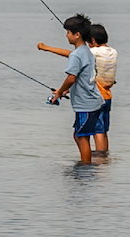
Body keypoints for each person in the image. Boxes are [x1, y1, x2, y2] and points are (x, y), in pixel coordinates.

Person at [39, 23, 118, 153]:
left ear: (92, 40)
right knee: (103, 131)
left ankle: (98, 159)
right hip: (107, 96)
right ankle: (104, 157)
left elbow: (72, 55)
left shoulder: (92, 52)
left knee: (95, 132)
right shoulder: (113, 52)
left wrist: (47, 48)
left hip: (94, 97)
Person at [45, 14, 104, 164]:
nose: (66, 36)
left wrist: (59, 92)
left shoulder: (76, 55)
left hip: (86, 104)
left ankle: (85, 167)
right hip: (93, 101)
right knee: (78, 135)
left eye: (68, 33)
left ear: (77, 35)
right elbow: (84, 78)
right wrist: (67, 91)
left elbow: (71, 77)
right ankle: (86, 162)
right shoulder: (87, 52)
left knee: (82, 136)